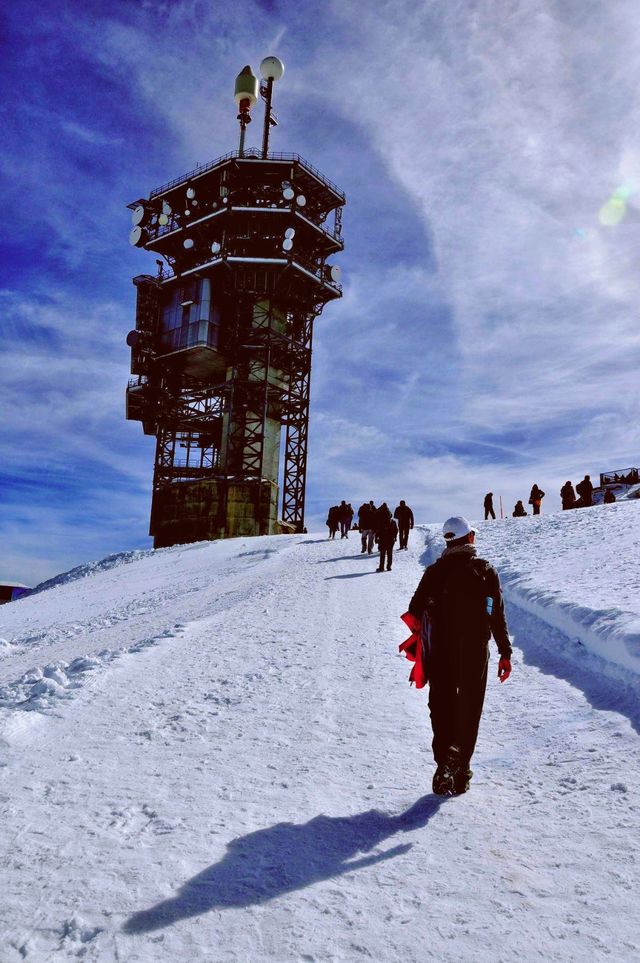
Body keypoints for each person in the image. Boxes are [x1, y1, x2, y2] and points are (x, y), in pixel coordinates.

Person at [407, 516, 512, 796]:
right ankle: (459, 764)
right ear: (470, 539)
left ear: (449, 541)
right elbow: (496, 616)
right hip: (474, 652)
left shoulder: (434, 572)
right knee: (469, 706)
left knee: (440, 705)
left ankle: (445, 762)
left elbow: (414, 609)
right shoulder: (484, 570)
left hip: (440, 651)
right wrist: (505, 652)